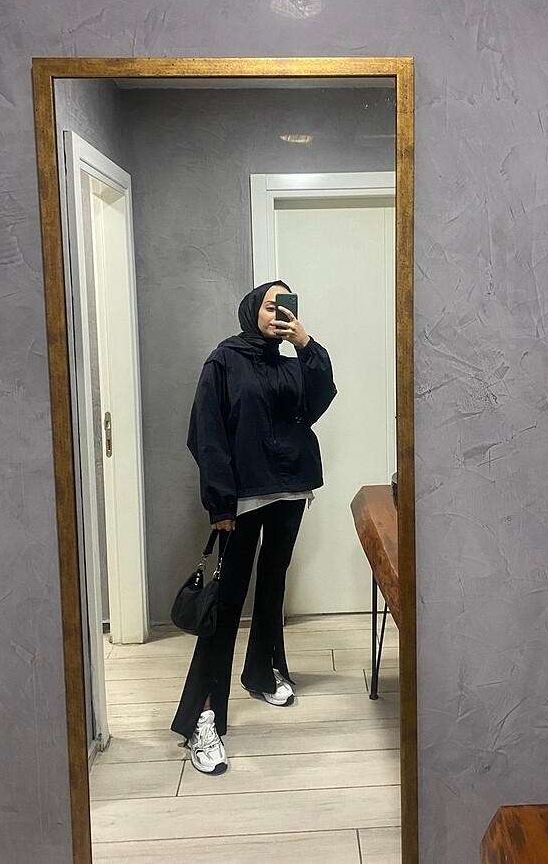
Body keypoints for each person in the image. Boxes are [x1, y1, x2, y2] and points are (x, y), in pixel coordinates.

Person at [171, 280, 337, 774]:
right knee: (225, 604)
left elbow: (320, 398)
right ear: (251, 310)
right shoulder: (224, 361)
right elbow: (206, 433)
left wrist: (306, 344)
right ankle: (203, 718)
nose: (277, 314)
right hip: (243, 497)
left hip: (292, 490)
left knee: (273, 584)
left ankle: (262, 673)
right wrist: (220, 501)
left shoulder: (292, 363)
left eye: (285, 306)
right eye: (270, 305)